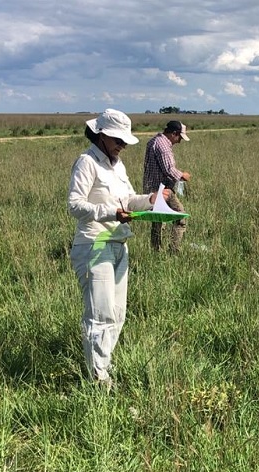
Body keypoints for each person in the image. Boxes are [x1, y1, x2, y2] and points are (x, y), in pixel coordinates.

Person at [67, 108, 169, 388]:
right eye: (117, 139)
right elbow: (74, 205)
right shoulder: (87, 162)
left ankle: (104, 366)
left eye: (125, 140)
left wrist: (151, 199)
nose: (122, 145)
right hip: (94, 244)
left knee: (117, 313)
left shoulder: (118, 166)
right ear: (101, 135)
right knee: (100, 314)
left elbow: (128, 200)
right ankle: (98, 379)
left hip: (119, 244)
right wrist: (111, 213)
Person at [143, 120, 191, 253]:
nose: (179, 141)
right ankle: (174, 251)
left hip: (152, 188)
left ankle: (156, 251)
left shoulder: (153, 141)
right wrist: (183, 175)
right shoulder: (163, 146)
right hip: (163, 190)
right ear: (174, 133)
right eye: (180, 137)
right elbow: (169, 170)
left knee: (158, 220)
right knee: (180, 217)